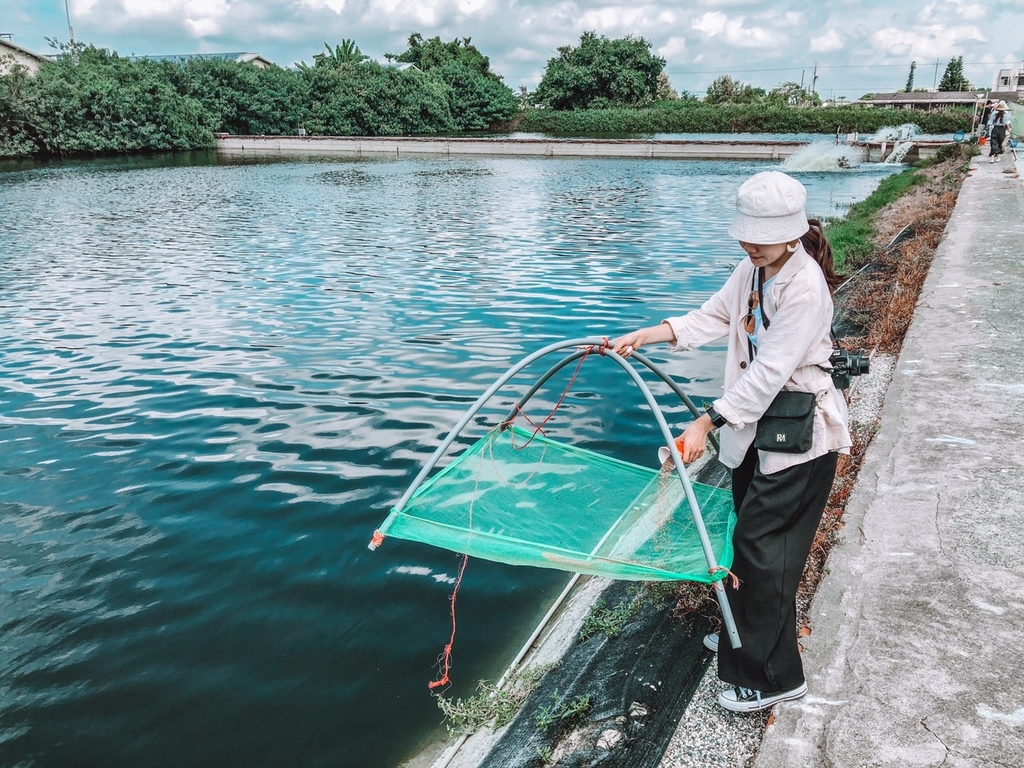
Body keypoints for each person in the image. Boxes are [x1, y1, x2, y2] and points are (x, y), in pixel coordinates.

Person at [612, 171, 851, 713]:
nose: (749, 244)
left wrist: (705, 423)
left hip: (798, 436)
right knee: (747, 536)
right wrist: (649, 334)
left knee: (765, 553)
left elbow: (769, 372)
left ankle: (773, 676)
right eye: (745, 234)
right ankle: (747, 630)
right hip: (758, 432)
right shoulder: (754, 268)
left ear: (791, 233)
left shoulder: (805, 284)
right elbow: (714, 316)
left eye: (760, 236)